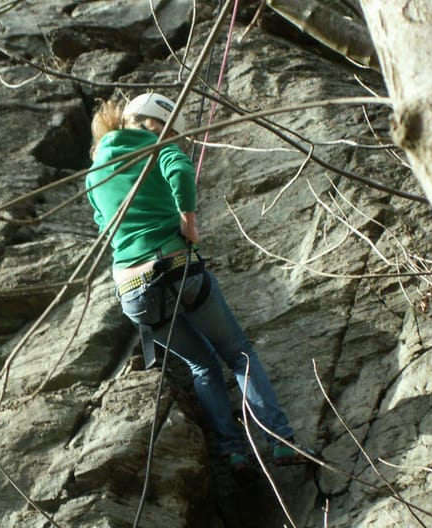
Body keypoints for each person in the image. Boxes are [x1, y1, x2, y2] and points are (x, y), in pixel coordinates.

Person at [85, 92, 311, 473]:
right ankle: (279, 440)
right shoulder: (157, 146)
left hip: (132, 291)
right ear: (156, 123)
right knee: (237, 354)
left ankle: (233, 450)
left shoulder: (94, 173)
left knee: (203, 365)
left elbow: (102, 225)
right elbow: (181, 170)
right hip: (175, 267)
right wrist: (187, 221)